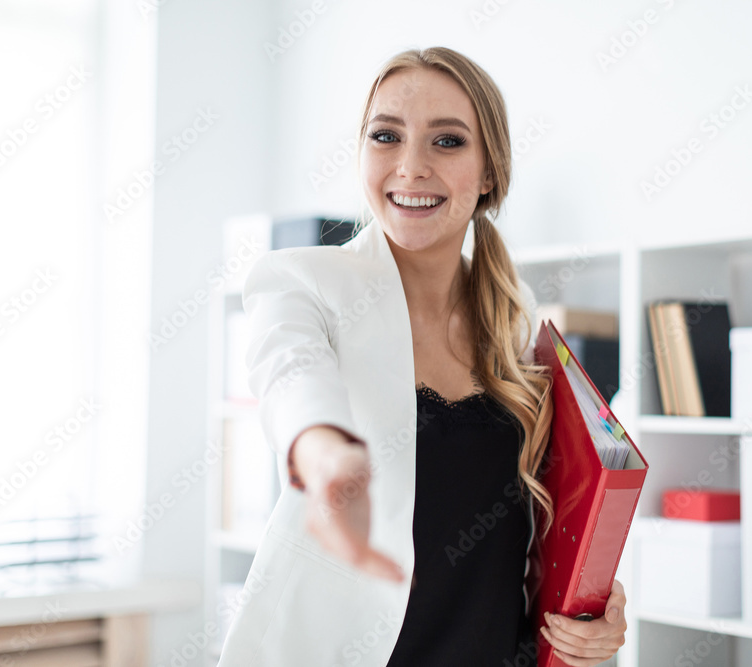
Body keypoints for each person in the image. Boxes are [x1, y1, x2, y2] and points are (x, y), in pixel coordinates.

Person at [217, 46, 627, 666]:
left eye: (447, 142)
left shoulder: (514, 324)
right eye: (386, 136)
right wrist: (322, 445)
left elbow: (540, 526)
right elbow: (289, 375)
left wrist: (592, 606)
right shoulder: (303, 280)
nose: (410, 167)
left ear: (490, 172)